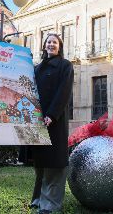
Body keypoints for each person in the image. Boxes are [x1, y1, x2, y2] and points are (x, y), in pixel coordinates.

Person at [30, 33, 74, 214]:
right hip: (37, 120)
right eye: (48, 42)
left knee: (54, 163)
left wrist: (52, 115)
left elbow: (64, 92)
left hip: (54, 120)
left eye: (55, 42)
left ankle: (49, 205)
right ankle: (37, 199)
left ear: (59, 46)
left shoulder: (65, 66)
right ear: (44, 46)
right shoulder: (37, 68)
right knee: (40, 162)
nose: (51, 44)